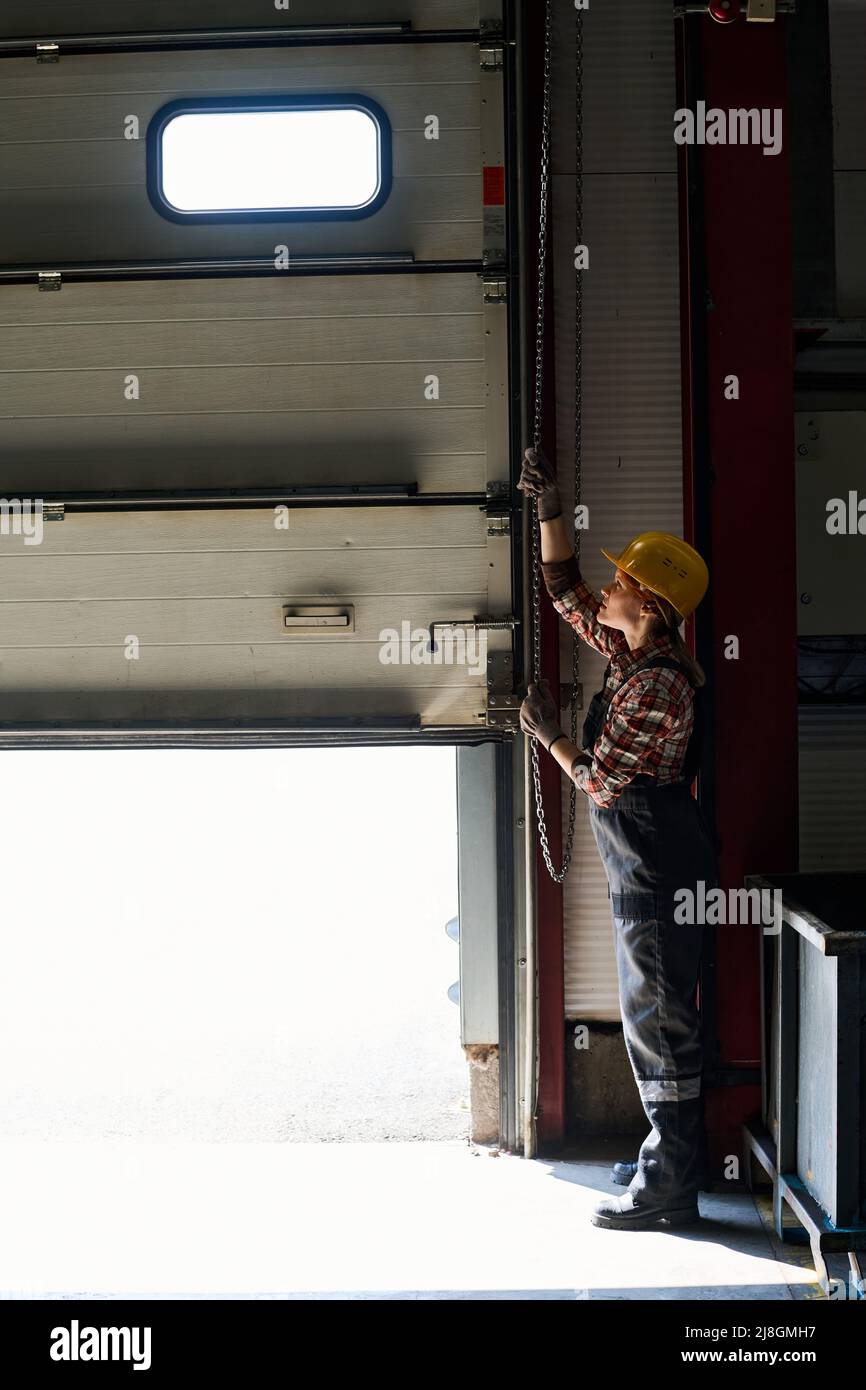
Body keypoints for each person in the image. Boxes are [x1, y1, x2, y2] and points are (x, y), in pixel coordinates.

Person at [517, 446, 720, 1230]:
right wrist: (549, 508)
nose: (610, 588)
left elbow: (601, 783)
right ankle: (662, 1162)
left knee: (659, 1021)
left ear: (651, 607)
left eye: (624, 584)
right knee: (652, 1015)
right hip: (649, 867)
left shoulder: (659, 683)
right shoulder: (636, 656)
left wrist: (548, 734)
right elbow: (565, 590)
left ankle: (670, 1186)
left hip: (660, 874)